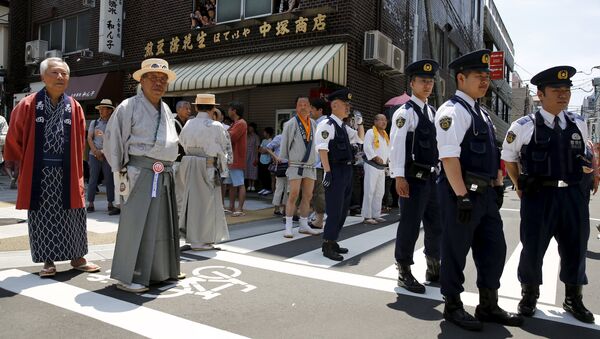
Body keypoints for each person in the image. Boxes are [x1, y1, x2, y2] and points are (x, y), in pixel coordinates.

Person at [435, 50, 522, 330]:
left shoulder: (481, 113)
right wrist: (461, 196)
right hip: (461, 194)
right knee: (455, 250)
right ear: (461, 78)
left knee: (494, 249)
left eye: (487, 77)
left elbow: (492, 155)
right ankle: (453, 306)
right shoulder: (452, 112)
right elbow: (449, 158)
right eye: (479, 77)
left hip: (484, 195)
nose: (485, 82)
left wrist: (497, 186)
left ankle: (488, 304)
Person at [502, 66, 594, 324]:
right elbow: (509, 159)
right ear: (540, 94)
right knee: (533, 247)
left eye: (567, 90)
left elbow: (583, 158)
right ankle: (529, 295)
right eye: (557, 90)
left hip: (573, 197)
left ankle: (573, 298)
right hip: (539, 197)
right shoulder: (523, 126)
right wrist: (518, 185)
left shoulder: (579, 123)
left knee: (576, 248)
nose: (563, 95)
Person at [3, 57, 100, 277]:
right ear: (43, 77)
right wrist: (22, 166)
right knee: (42, 215)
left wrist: (79, 168)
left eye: (64, 74)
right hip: (40, 171)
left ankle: (78, 257)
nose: (60, 77)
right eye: (55, 73)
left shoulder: (74, 106)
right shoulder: (27, 104)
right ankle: (48, 261)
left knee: (74, 212)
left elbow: (79, 140)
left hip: (68, 170)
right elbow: (13, 138)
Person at [103, 58, 182, 293]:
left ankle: (159, 272)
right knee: (136, 224)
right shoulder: (129, 106)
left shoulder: (166, 108)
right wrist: (121, 173)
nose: (159, 83)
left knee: (160, 224)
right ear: (142, 81)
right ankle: (128, 276)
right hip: (139, 173)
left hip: (163, 172)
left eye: (163, 79)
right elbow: (112, 140)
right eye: (154, 78)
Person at [389, 60, 442, 294]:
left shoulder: (432, 112)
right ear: (412, 83)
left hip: (431, 178)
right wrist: (398, 176)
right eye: (423, 81)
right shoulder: (405, 112)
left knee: (435, 224)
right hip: (412, 178)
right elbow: (397, 146)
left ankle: (433, 266)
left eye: (430, 81)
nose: (427, 85)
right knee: (410, 225)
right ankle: (404, 270)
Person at [177, 94, 230, 251]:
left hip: (189, 164)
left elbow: (182, 142)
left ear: (196, 107)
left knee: (191, 202)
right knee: (207, 204)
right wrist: (223, 167)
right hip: (207, 166)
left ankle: (191, 237)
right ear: (213, 108)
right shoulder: (216, 126)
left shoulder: (188, 124)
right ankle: (202, 241)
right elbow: (223, 149)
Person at [316, 88, 362, 261]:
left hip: (347, 170)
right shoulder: (327, 125)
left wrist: (360, 123)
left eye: (349, 104)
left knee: (343, 210)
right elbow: (322, 149)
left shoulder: (343, 126)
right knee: (335, 210)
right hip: (335, 170)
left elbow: (360, 139)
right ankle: (327, 244)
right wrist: (327, 172)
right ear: (335, 105)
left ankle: (333, 240)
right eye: (345, 104)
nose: (348, 107)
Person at [280, 97, 321, 238]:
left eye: (306, 105)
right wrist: (286, 159)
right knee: (293, 194)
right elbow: (285, 144)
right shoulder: (290, 124)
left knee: (308, 196)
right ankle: (289, 226)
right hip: (295, 164)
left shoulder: (314, 124)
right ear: (296, 107)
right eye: (300, 105)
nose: (303, 107)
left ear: (310, 107)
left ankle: (303, 225)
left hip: (310, 165)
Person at [86, 99, 117, 214]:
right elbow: (89, 137)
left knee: (109, 179)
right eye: (100, 108)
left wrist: (103, 151)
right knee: (93, 179)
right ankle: (90, 203)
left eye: (103, 108)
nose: (101, 110)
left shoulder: (113, 124)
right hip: (93, 155)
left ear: (109, 111)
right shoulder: (94, 123)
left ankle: (110, 203)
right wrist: (95, 151)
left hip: (107, 155)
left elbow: (114, 140)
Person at [361, 114, 389, 224]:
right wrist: (375, 157)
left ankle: (376, 214)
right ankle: (367, 216)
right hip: (371, 165)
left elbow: (388, 150)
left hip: (381, 167)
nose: (384, 122)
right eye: (381, 120)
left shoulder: (385, 134)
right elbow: (367, 146)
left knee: (380, 192)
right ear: (375, 122)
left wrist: (388, 161)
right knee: (369, 190)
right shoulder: (370, 132)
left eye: (385, 120)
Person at [309, 97, 328, 228]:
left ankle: (320, 218)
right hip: (318, 163)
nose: (310, 111)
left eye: (312, 109)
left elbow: (322, 145)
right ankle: (318, 215)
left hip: (319, 164)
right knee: (317, 191)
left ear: (320, 110)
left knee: (318, 192)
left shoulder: (322, 123)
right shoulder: (320, 122)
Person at [226, 101, 247, 217]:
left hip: (236, 158)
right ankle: (232, 206)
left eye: (229, 109)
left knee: (239, 183)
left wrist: (222, 132)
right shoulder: (236, 123)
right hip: (232, 158)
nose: (228, 112)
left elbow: (231, 137)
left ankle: (239, 208)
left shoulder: (241, 123)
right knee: (232, 184)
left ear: (234, 110)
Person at [266, 120, 289, 216]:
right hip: (281, 165)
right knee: (280, 187)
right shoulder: (279, 137)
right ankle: (276, 208)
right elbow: (268, 147)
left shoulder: (292, 137)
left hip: (290, 165)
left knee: (287, 188)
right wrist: (275, 157)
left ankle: (284, 208)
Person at [257, 127, 274, 196]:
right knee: (262, 175)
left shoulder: (271, 141)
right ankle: (264, 188)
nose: (263, 133)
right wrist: (264, 150)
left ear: (268, 133)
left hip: (268, 161)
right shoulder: (263, 140)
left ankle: (268, 189)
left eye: (264, 132)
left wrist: (264, 150)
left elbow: (267, 151)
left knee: (267, 175)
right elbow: (260, 150)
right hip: (261, 160)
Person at [245, 122, 259, 192]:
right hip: (246, 154)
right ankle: (249, 184)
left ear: (253, 128)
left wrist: (256, 157)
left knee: (253, 168)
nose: (249, 128)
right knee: (247, 168)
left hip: (253, 154)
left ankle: (253, 185)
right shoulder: (246, 136)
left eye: (250, 127)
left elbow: (257, 147)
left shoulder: (256, 136)